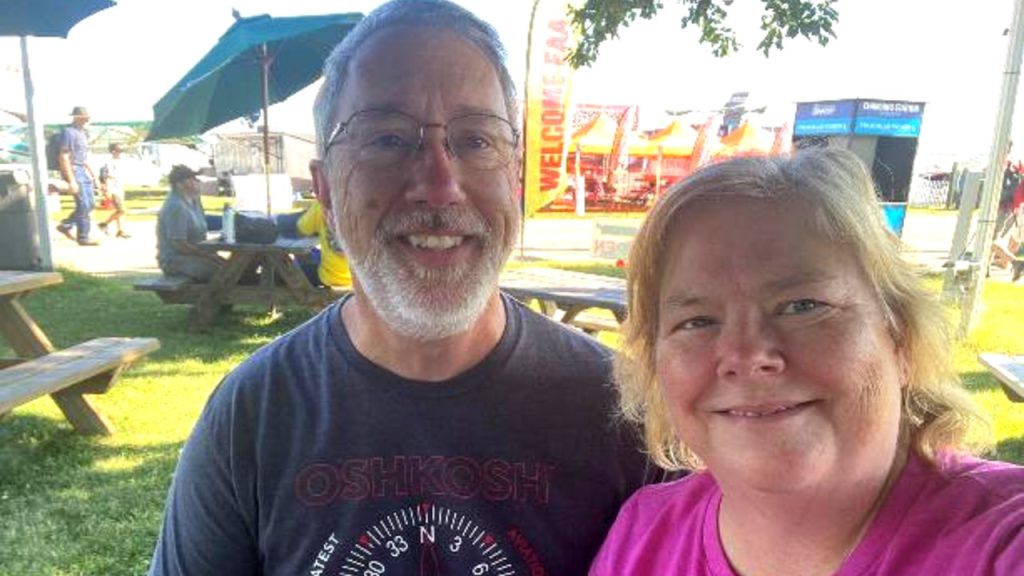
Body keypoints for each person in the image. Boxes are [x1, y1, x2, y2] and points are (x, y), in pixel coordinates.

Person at [148, 2, 657, 575]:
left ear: (513, 179)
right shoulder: (253, 416)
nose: (439, 186)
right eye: (387, 138)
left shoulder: (625, 416)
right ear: (326, 191)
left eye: (475, 141)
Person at [590, 148, 1024, 575]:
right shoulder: (644, 535)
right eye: (697, 321)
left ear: (901, 338)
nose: (747, 356)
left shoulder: (1002, 542)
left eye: (802, 306)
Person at [155, 164, 222, 282]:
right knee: (224, 272)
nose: (196, 182)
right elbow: (179, 244)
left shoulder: (194, 200)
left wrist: (229, 221)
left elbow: (202, 221)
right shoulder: (176, 206)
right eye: (191, 179)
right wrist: (206, 254)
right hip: (175, 260)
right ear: (179, 185)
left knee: (230, 267)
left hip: (196, 256)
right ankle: (211, 299)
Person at [55, 106, 100, 246]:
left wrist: (94, 177)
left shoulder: (83, 133)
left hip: (82, 169)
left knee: (90, 204)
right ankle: (83, 236)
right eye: (86, 116)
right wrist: (71, 180)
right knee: (83, 204)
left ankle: (66, 225)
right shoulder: (68, 132)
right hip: (73, 170)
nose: (88, 119)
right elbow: (64, 156)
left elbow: (84, 158)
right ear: (77, 117)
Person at [295, 199, 353, 287]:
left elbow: (302, 228)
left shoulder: (322, 204)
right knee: (315, 255)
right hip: (361, 280)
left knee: (296, 268)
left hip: (330, 277)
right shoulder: (371, 204)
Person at [98, 143, 130, 238]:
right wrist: (106, 189)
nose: (121, 153)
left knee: (119, 210)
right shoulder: (108, 162)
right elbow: (103, 176)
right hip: (112, 188)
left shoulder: (121, 161)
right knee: (122, 210)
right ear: (113, 152)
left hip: (119, 187)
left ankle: (120, 230)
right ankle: (104, 224)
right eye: (119, 151)